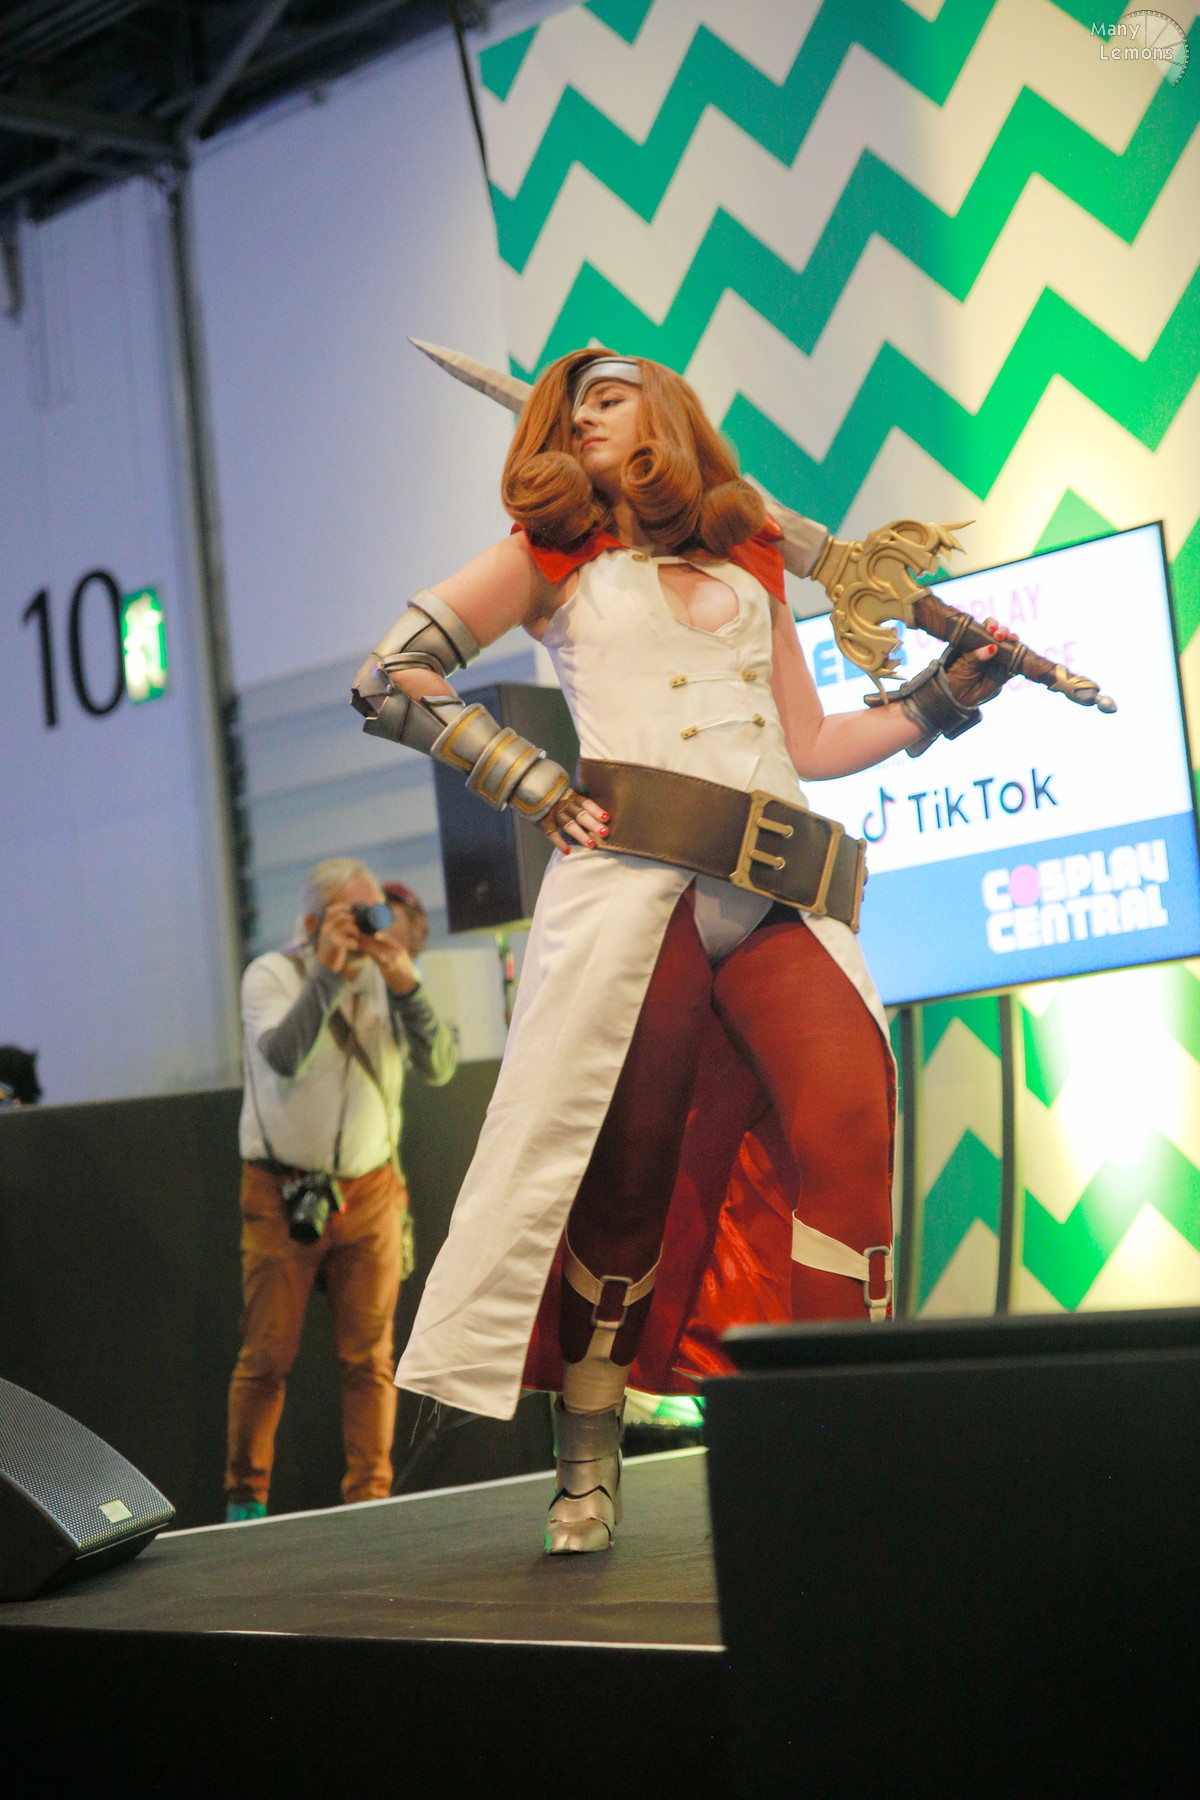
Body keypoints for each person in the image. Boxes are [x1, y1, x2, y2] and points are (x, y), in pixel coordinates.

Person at [350, 348, 1014, 1553]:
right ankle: (586, 1464)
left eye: (607, 397)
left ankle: (843, 1443)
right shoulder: (553, 556)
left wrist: (938, 700)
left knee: (850, 1127)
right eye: (569, 409)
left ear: (665, 411)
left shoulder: (751, 555)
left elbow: (809, 744)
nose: (584, 419)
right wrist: (527, 777)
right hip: (633, 893)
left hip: (778, 894)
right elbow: (390, 675)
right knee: (625, 1182)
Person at [225, 858, 455, 1521]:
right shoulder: (270, 975)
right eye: (350, 914)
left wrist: (406, 986)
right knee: (267, 1356)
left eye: (371, 911)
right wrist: (327, 972)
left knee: (370, 1361)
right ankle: (245, 1503)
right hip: (280, 1191)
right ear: (309, 921)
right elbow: (282, 1055)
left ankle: (370, 1506)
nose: (365, 927)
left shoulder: (389, 976)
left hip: (371, 1190)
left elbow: (439, 1066)